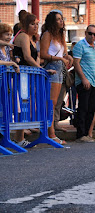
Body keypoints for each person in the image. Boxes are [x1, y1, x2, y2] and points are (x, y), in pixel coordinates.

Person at [13, 12, 56, 146]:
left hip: (29, 75)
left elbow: (36, 57)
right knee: (22, 105)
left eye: (37, 24)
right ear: (25, 25)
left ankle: (20, 138)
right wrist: (41, 69)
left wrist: (39, 67)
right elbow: (27, 57)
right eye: (32, 24)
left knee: (26, 105)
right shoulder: (23, 36)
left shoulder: (32, 38)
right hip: (22, 75)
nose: (36, 27)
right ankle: (18, 139)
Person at [40, 10, 73, 144]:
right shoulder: (47, 34)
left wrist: (66, 56)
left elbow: (62, 52)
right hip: (52, 68)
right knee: (51, 103)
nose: (61, 21)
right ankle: (51, 134)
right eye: (58, 19)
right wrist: (59, 58)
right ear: (53, 21)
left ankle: (51, 133)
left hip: (60, 68)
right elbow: (42, 54)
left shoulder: (60, 36)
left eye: (61, 19)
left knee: (55, 102)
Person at [73, 25, 95, 142]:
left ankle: (87, 134)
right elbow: (76, 63)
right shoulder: (80, 45)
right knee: (83, 108)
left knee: (91, 109)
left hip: (93, 81)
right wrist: (83, 78)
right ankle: (80, 134)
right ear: (85, 33)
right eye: (90, 33)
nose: (93, 36)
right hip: (84, 81)